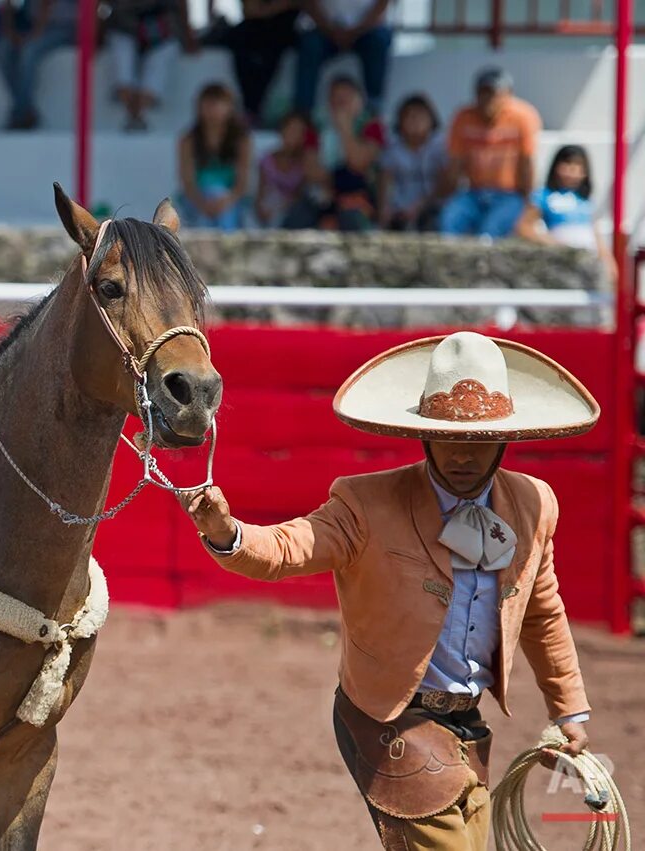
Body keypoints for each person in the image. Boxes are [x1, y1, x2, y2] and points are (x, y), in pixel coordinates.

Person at [181, 330, 598, 849]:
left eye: (478, 439)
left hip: (469, 725)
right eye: (448, 437)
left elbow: (542, 612)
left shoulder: (535, 505)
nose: (462, 454)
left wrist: (569, 710)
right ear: (421, 434)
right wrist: (228, 534)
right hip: (389, 719)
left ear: (506, 437)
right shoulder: (365, 504)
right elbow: (291, 547)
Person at [439, 67, 542, 239]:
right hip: (474, 192)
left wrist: (528, 201)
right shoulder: (463, 117)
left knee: (488, 233)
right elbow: (455, 164)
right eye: (483, 93)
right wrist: (447, 196)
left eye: (494, 94)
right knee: (449, 220)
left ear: (508, 94)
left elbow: (527, 162)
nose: (488, 100)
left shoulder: (523, 117)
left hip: (509, 194)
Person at [288, 73, 384, 231]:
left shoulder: (372, 127)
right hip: (322, 196)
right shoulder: (316, 127)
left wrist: (345, 129)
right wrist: (340, 178)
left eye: (346, 98)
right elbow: (311, 171)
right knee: (296, 219)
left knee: (351, 220)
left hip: (359, 198)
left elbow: (358, 163)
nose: (341, 104)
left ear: (359, 101)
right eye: (336, 98)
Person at [516, 144, 618, 282]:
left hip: (589, 259)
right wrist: (553, 242)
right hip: (562, 260)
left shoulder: (585, 199)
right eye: (567, 164)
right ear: (556, 167)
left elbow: (595, 232)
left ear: (584, 172)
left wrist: (607, 259)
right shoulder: (543, 196)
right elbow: (524, 227)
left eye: (577, 167)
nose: (571, 171)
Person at [104, 0, 195, 131]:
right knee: (122, 77)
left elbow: (182, 3)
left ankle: (138, 115)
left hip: (164, 30)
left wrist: (188, 35)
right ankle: (134, 115)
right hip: (124, 26)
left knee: (156, 72)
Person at [294, 0, 392, 117]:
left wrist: (356, 31)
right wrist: (329, 29)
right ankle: (303, 114)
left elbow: (382, 4)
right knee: (310, 45)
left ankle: (373, 112)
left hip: (366, 30)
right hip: (324, 29)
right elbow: (309, 3)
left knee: (379, 41)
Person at [0, 0, 78, 130]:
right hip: (31, 26)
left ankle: (20, 115)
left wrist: (32, 36)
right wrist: (10, 33)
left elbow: (47, 5)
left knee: (29, 52)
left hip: (65, 27)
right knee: (3, 50)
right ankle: (26, 110)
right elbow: (8, 7)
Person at [175, 82, 251, 230]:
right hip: (196, 200)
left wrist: (227, 201)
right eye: (208, 104)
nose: (212, 110)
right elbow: (187, 182)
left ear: (230, 108)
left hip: (230, 199)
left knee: (220, 201)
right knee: (208, 206)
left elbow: (242, 182)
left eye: (217, 104)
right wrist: (203, 204)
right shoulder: (188, 140)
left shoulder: (241, 140)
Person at [219, 0, 302, 128]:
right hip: (255, 29)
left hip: (283, 32)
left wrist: (266, 9)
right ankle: (251, 110)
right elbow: (250, 10)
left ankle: (294, 117)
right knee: (240, 41)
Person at [377, 93, 446, 231]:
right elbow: (385, 182)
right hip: (400, 211)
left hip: (432, 208)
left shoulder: (441, 145)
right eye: (409, 116)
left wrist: (421, 205)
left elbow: (444, 184)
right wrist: (385, 209)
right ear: (400, 121)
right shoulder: (392, 147)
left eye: (420, 116)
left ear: (432, 119)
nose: (415, 121)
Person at [255, 110, 310, 227]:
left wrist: (282, 208)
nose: (292, 134)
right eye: (289, 129)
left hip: (292, 214)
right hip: (268, 210)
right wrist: (261, 208)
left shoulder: (305, 163)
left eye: (297, 131)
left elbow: (300, 195)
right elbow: (260, 192)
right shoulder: (266, 160)